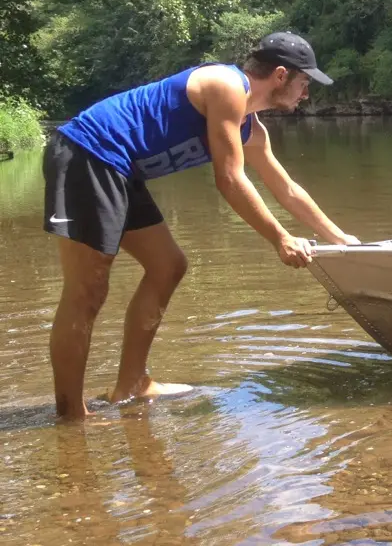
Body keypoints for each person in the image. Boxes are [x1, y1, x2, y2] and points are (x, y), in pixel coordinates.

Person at [42, 32, 360, 420]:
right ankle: (71, 416)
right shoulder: (226, 85)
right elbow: (229, 179)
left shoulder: (252, 128)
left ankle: (133, 384)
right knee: (87, 289)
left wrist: (340, 239)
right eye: (304, 82)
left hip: (121, 170)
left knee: (168, 265)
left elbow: (287, 189)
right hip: (88, 154)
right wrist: (281, 239)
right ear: (280, 75)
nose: (306, 93)